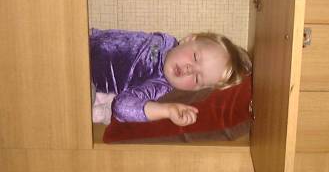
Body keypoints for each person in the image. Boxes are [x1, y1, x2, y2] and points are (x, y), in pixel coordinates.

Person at [90, 28, 252, 126]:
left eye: (197, 78)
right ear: (190, 39)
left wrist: (167, 110)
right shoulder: (165, 40)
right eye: (195, 57)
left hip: (83, 76)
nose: (190, 69)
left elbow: (121, 106)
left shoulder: (159, 85)